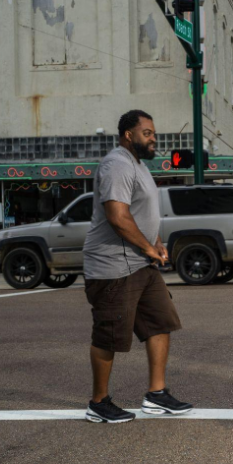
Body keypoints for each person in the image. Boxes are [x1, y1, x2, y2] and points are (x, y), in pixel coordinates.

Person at [82, 110, 192, 423]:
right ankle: (99, 402)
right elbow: (118, 216)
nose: (153, 138)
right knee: (110, 334)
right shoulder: (116, 164)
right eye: (147, 133)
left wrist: (155, 243)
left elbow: (143, 212)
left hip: (141, 262)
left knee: (160, 322)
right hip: (113, 266)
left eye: (153, 133)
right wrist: (147, 247)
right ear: (128, 134)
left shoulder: (139, 166)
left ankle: (156, 395)